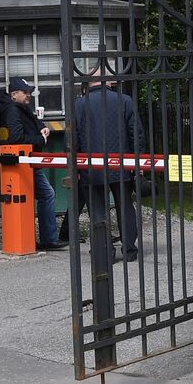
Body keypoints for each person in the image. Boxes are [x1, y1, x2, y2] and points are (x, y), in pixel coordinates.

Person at [72, 70, 143, 263]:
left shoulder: (79, 104)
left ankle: (104, 252)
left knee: (97, 209)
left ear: (90, 82)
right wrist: (136, 164)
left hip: (91, 166)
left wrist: (76, 168)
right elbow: (136, 134)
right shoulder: (125, 101)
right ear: (109, 81)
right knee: (125, 206)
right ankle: (130, 250)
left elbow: (72, 139)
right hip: (120, 165)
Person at [0, 77, 63, 250]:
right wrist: (40, 140)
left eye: (29, 91)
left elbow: (31, 122)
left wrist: (41, 126)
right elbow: (15, 138)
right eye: (25, 92)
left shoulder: (19, 108)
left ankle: (41, 239)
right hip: (24, 161)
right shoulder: (12, 111)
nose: (29, 95)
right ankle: (47, 239)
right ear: (14, 94)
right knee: (47, 194)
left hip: (26, 161)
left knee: (40, 196)